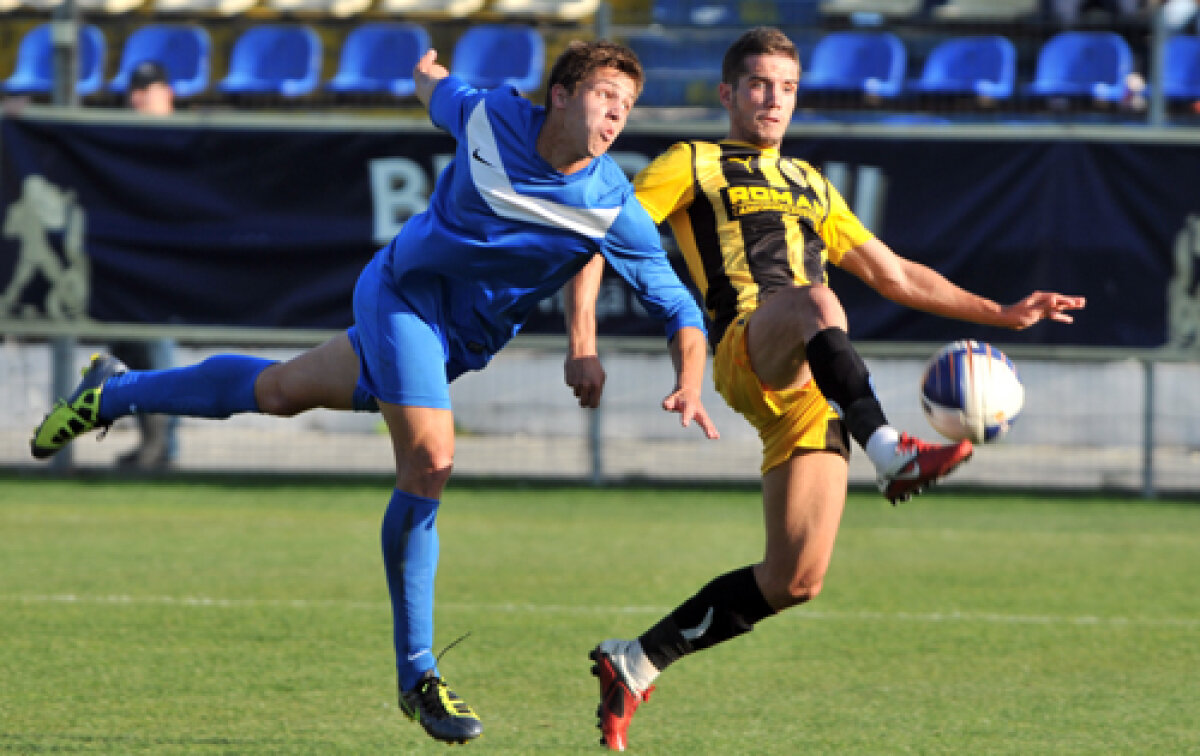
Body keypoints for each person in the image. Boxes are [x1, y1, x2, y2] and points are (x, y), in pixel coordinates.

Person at [30, 40, 720, 745]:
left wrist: (687, 378)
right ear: (563, 95)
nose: (617, 114)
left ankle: (114, 392)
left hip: (456, 344)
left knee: (278, 391)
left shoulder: (611, 204)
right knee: (431, 460)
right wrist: (427, 75)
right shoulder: (489, 117)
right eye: (606, 95)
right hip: (401, 296)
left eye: (628, 104)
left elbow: (680, 308)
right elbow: (439, 92)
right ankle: (417, 674)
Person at [576, 27, 1087, 751]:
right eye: (758, 84)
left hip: (816, 391)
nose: (773, 99)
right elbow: (604, 238)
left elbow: (895, 274)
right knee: (819, 300)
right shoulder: (692, 161)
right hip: (749, 344)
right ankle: (890, 449)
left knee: (794, 580)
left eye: (786, 87)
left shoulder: (811, 183)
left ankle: (635, 661)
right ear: (728, 94)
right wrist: (583, 344)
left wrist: (1003, 312)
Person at [110, 60, 180, 469]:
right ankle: (149, 443)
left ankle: (165, 448)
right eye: (134, 89)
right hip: (127, 263)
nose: (138, 97)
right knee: (128, 354)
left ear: (167, 93)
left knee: (158, 354)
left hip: (166, 265)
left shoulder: (185, 137)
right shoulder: (120, 138)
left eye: (147, 88)